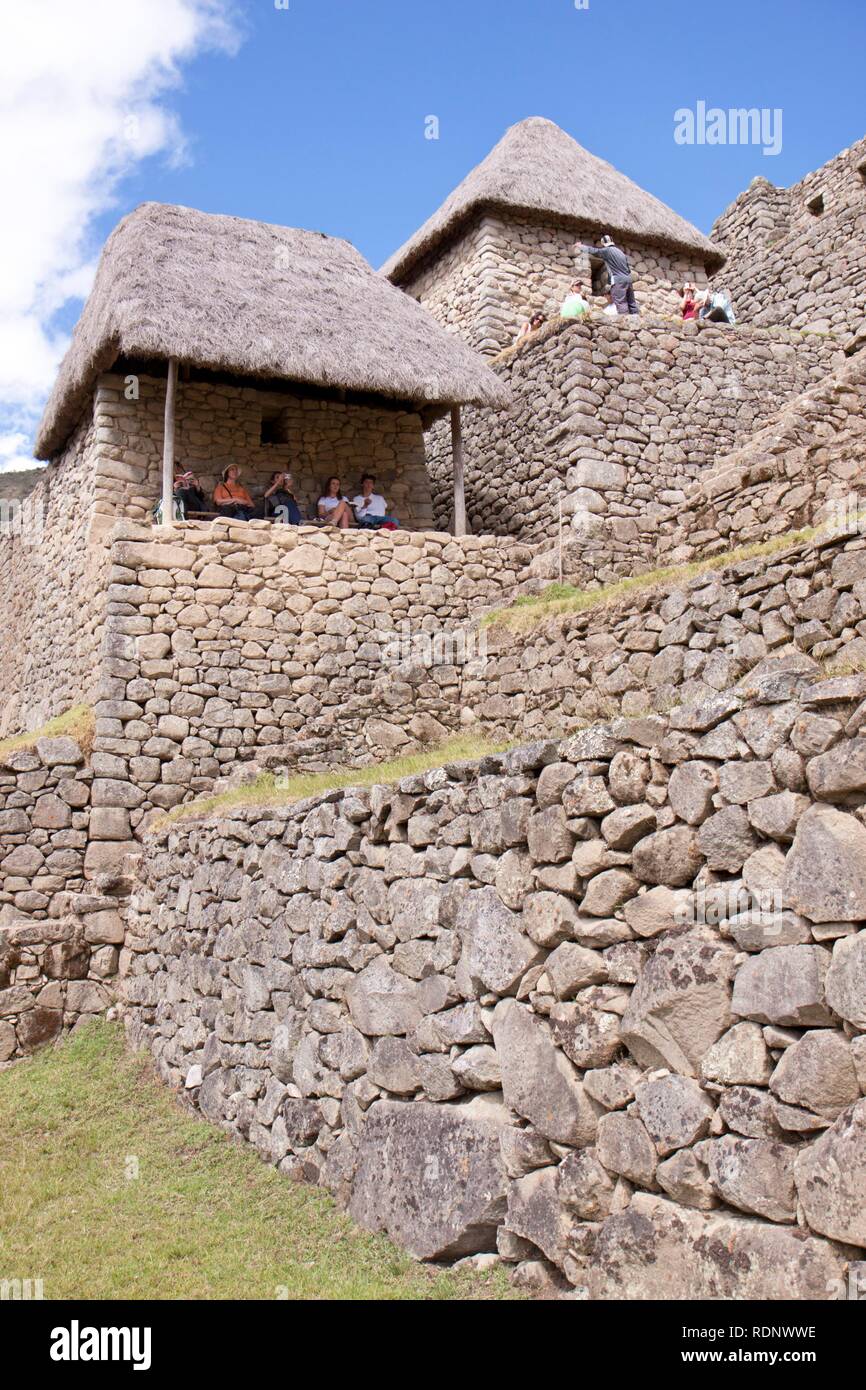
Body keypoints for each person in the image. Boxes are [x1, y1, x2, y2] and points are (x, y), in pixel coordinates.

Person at [580, 233, 639, 315]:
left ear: (604, 244)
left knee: (620, 302)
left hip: (618, 281)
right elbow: (628, 270)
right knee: (631, 302)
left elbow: (594, 251)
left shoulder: (607, 251)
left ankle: (625, 322)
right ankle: (636, 319)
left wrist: (581, 246)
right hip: (628, 280)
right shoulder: (621, 253)